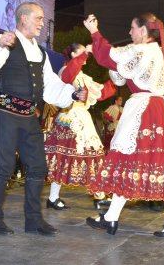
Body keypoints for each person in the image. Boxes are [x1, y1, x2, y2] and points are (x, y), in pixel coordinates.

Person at [0, 1, 85, 236]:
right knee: (3, 167)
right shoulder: (5, 40)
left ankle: (33, 220)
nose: (41, 23)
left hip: (28, 116)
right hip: (5, 113)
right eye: (38, 18)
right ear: (23, 19)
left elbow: (50, 84)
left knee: (38, 166)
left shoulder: (40, 52)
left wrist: (72, 93)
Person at [83, 12, 164, 238]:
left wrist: (94, 32)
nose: (129, 32)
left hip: (144, 111)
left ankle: (112, 218)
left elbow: (109, 57)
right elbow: (121, 76)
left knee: (129, 161)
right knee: (160, 165)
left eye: (132, 28)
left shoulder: (141, 50)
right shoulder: (163, 57)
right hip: (163, 112)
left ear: (143, 30)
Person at [44, 43, 116, 210]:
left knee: (95, 155)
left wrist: (117, 80)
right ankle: (53, 198)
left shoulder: (84, 77)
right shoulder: (64, 71)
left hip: (82, 118)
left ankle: (99, 195)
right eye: (82, 52)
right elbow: (68, 76)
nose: (87, 55)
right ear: (74, 53)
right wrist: (84, 55)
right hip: (69, 119)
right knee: (62, 159)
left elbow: (101, 92)